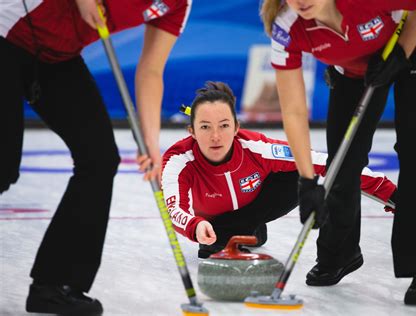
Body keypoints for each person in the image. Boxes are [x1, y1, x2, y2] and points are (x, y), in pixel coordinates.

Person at [0, 0, 191, 314]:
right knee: (2, 166)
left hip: (56, 57)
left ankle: (55, 286)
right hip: (7, 33)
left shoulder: (179, 5)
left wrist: (150, 142)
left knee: (99, 158)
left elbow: (151, 71)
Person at [261, 0, 416, 306]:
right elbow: (294, 111)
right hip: (353, 71)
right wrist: (307, 181)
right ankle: (341, 253)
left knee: (414, 143)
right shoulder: (286, 27)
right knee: (342, 158)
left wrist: (402, 49)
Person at [155, 81, 398, 259]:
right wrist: (194, 225)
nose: (216, 136)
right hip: (209, 223)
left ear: (237, 127)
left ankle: (239, 230)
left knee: (300, 170)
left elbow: (327, 163)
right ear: (192, 131)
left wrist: (390, 193)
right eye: (205, 127)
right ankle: (234, 234)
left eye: (224, 125)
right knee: (227, 239)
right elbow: (173, 207)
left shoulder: (257, 148)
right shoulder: (179, 160)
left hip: (251, 211)